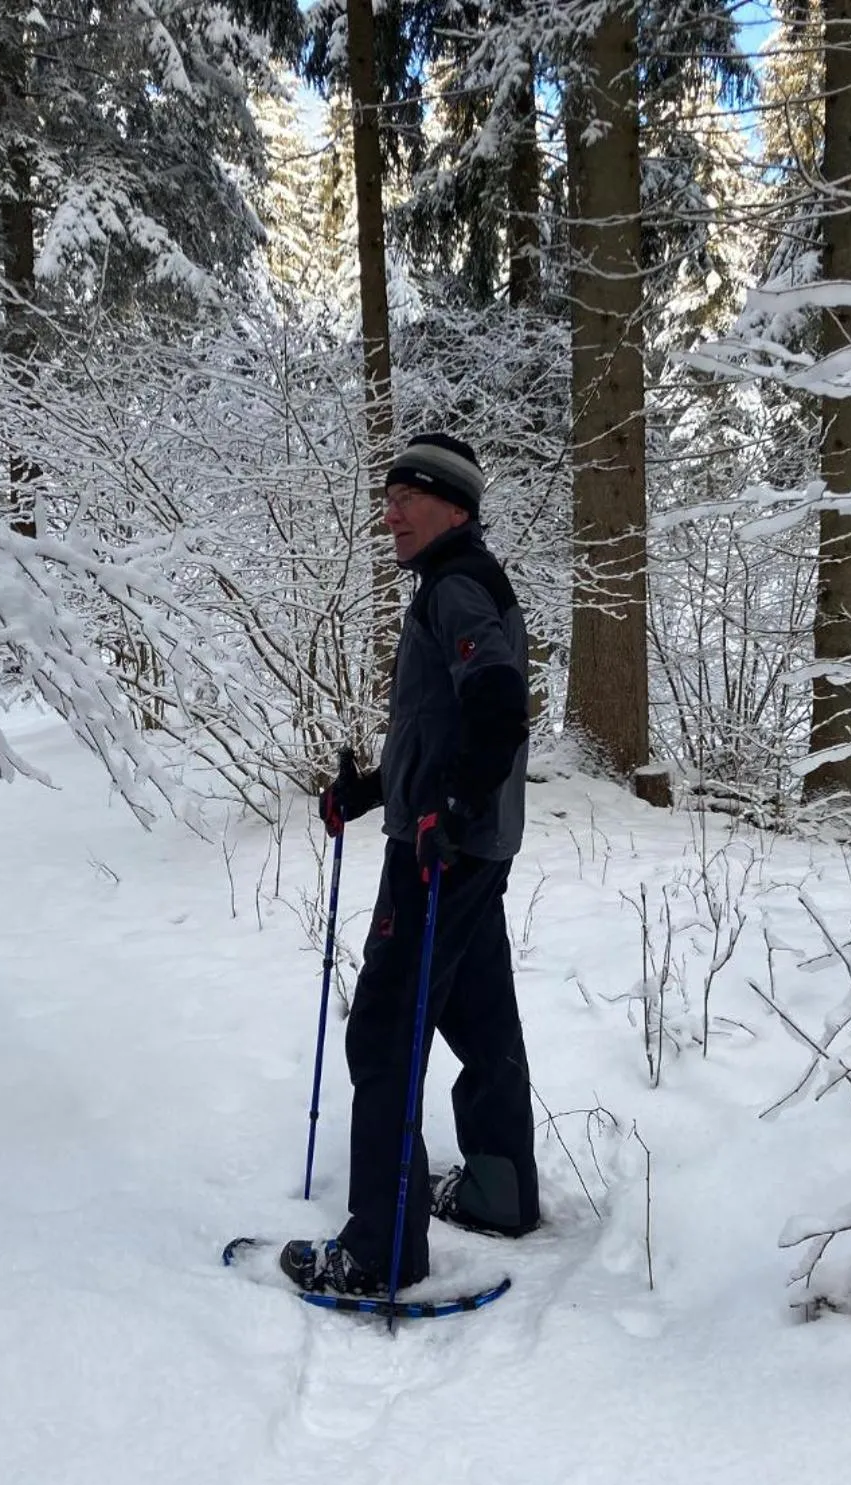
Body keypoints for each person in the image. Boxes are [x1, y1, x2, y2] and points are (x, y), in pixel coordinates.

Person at [281, 432, 540, 1298]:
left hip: (442, 856)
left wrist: (451, 809)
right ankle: (500, 1191)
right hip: (472, 849)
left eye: (407, 499)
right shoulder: (457, 583)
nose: (389, 515)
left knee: (385, 1032)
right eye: (386, 499)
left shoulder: (456, 586)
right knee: (481, 1019)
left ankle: (381, 1252)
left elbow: (498, 704)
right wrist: (370, 792)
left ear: (455, 508)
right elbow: (444, 726)